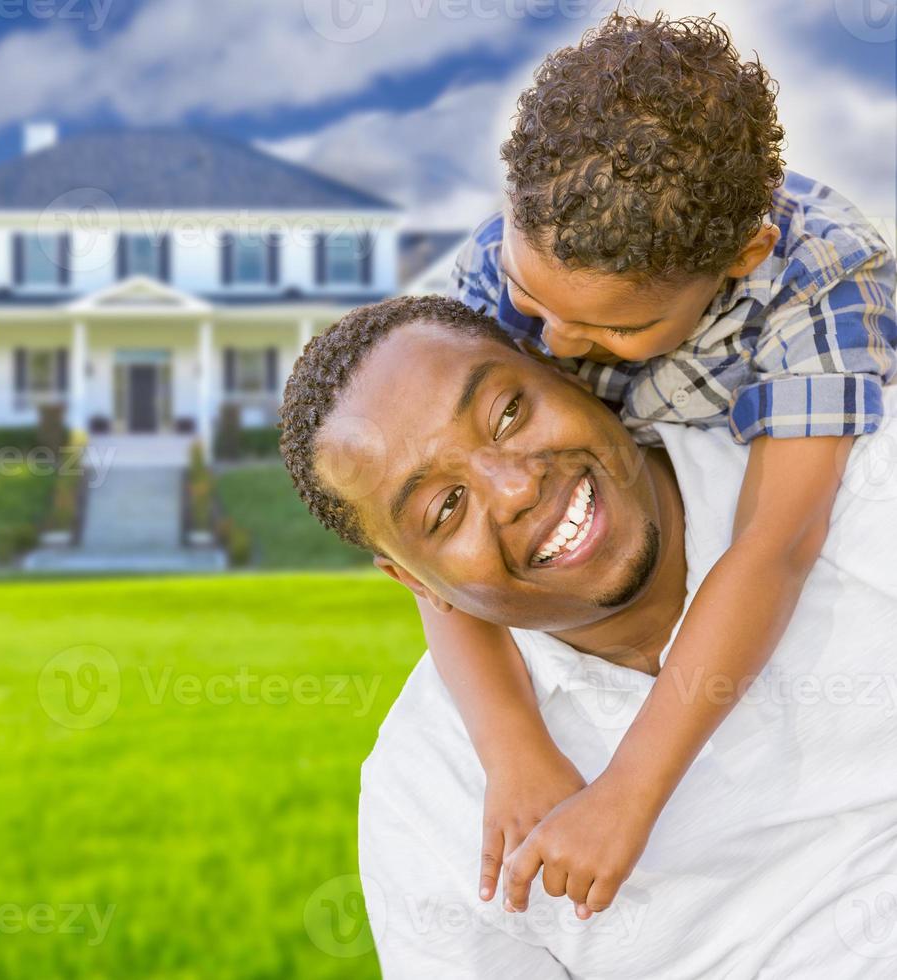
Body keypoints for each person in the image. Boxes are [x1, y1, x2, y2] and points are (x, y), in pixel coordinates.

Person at [277, 294, 897, 975]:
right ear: (415, 583)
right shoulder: (427, 793)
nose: (514, 488)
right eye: (445, 508)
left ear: (566, 370)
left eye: (508, 414)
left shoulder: (861, 479)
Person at [437, 13, 896, 916]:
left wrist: (628, 793)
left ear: (741, 258)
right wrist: (513, 746)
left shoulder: (824, 278)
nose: (554, 342)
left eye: (616, 329)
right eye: (535, 299)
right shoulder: (498, 269)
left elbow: (776, 542)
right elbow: (423, 536)